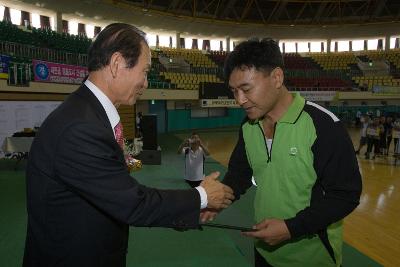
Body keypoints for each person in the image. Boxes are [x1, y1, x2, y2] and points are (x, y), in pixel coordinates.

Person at [23, 23, 234, 267]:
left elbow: (113, 191)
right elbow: (131, 202)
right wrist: (202, 196)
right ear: (116, 64)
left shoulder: (88, 115)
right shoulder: (81, 128)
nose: (145, 83)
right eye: (144, 71)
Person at [201, 39, 362, 267]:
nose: (239, 100)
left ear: (277, 77)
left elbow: (346, 195)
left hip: (312, 258)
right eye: (234, 91)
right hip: (264, 252)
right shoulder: (248, 126)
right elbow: (240, 175)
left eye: (246, 89)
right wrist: (217, 200)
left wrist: (290, 228)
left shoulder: (323, 126)